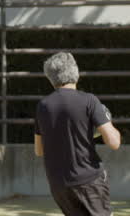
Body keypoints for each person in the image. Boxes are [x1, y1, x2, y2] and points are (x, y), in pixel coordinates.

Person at [35, 52, 121, 216]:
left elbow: (39, 150)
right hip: (89, 181)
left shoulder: (43, 106)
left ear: (50, 78)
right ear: (75, 72)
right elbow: (114, 142)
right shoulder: (89, 100)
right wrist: (106, 121)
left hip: (59, 185)